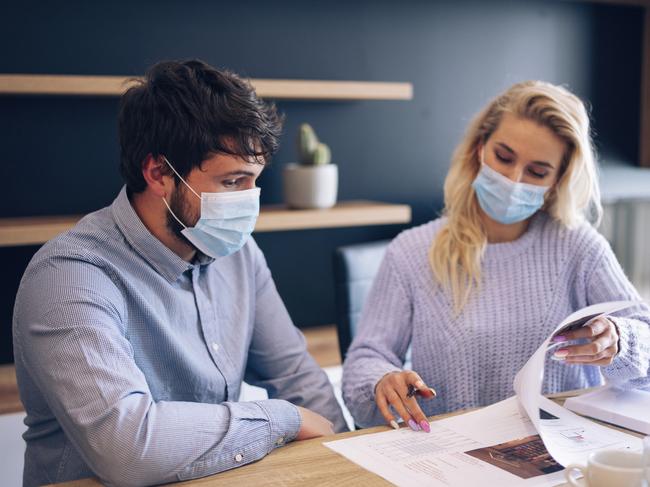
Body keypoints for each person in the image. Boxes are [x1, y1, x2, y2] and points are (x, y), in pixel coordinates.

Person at [13, 59, 347, 487]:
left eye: (255, 181)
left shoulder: (239, 254)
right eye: (232, 183)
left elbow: (295, 376)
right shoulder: (69, 276)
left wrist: (350, 453)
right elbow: (128, 448)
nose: (250, 202)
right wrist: (283, 419)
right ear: (158, 174)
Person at [342, 80, 650, 432]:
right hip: (448, 459)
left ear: (558, 180)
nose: (514, 180)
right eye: (504, 157)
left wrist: (621, 340)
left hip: (561, 458)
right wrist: (384, 381)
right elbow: (364, 360)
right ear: (479, 148)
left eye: (537, 172)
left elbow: (646, 336)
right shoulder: (411, 252)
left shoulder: (579, 247)